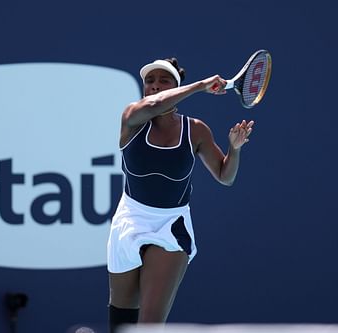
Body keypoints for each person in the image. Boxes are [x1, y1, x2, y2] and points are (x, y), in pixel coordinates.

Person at [107, 57, 254, 332]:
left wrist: (234, 150)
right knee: (120, 322)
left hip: (170, 226)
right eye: (149, 81)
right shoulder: (132, 117)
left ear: (176, 86)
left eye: (164, 81)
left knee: (148, 327)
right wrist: (200, 86)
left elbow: (225, 177)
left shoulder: (196, 130)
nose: (155, 86)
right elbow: (154, 105)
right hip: (128, 219)